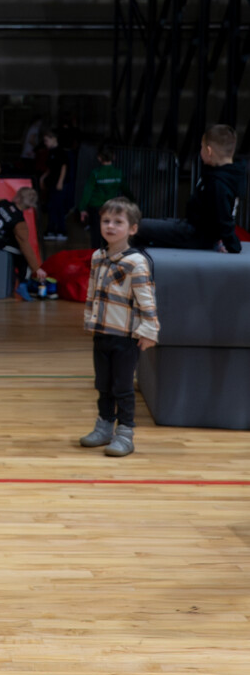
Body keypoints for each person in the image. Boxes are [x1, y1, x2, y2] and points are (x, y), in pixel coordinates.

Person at [80, 198, 159, 458]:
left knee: (122, 387)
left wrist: (149, 330)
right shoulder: (98, 257)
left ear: (132, 229)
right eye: (106, 221)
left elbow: (147, 299)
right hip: (102, 333)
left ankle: (125, 433)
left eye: (118, 222)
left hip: (125, 337)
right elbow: (92, 292)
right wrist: (90, 318)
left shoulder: (136, 262)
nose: (110, 226)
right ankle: (104, 426)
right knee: (103, 384)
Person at [135, 124, 244, 253]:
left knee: (136, 227)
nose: (200, 151)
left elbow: (223, 216)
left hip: (196, 234)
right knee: (150, 225)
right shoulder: (227, 176)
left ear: (208, 151)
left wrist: (232, 245)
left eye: (201, 147)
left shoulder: (218, 182)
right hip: (195, 229)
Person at [77, 144, 127, 247]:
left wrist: (82, 208)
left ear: (99, 158)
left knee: (96, 233)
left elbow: (88, 192)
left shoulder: (95, 173)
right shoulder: (118, 173)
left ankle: (96, 254)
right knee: (110, 232)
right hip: (111, 207)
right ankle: (108, 254)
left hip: (96, 208)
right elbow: (126, 190)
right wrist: (132, 202)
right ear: (114, 157)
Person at [34, 127, 69, 239]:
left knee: (58, 207)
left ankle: (61, 231)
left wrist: (60, 182)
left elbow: (63, 167)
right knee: (51, 207)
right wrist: (43, 178)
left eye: (46, 140)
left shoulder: (60, 152)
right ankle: (51, 230)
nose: (45, 143)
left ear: (53, 139)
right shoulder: (50, 152)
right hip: (52, 183)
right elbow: (50, 168)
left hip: (58, 184)